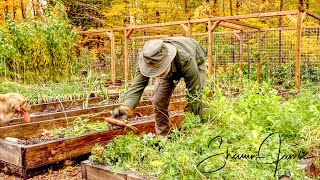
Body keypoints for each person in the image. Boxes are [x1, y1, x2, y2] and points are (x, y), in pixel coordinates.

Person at [112, 36, 206, 136]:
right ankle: (163, 136)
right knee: (158, 101)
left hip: (196, 61)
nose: (156, 75)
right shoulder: (146, 58)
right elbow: (137, 86)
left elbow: (195, 95)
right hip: (169, 70)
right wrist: (125, 108)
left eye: (158, 70)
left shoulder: (185, 58)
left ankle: (189, 134)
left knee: (193, 100)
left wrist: (195, 125)